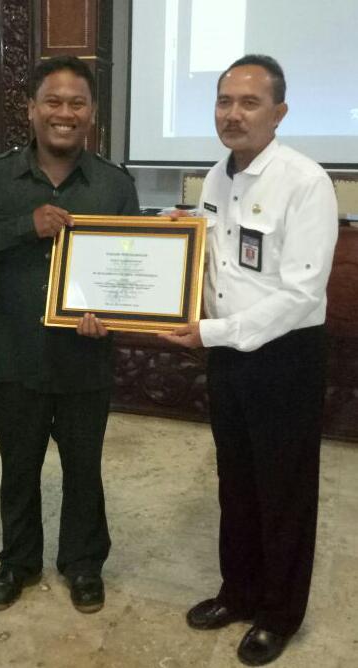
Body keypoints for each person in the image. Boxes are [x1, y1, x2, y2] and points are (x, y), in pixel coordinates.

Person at [162, 55, 338, 665]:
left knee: (284, 490)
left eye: (249, 102)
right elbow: (220, 253)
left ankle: (278, 614)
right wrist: (183, 238)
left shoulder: (305, 182)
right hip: (227, 354)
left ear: (279, 112)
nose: (232, 114)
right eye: (223, 101)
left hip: (284, 357)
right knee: (235, 481)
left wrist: (214, 331)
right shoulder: (216, 177)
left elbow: (301, 294)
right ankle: (237, 592)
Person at [0, 56, 139, 613]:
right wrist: (24, 226)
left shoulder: (114, 184)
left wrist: (111, 313)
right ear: (31, 109)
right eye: (53, 101)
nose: (64, 113)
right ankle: (18, 561)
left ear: (92, 114)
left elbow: (132, 268)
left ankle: (83, 564)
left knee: (84, 470)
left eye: (77, 103)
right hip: (16, 355)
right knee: (18, 467)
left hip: (86, 356)